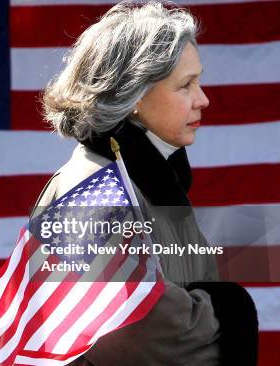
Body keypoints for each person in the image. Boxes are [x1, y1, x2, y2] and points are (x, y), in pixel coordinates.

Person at [34, 2, 258, 365]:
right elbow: (133, 325)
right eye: (185, 85)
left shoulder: (152, 182)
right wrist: (229, 314)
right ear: (135, 95)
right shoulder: (90, 190)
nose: (204, 99)